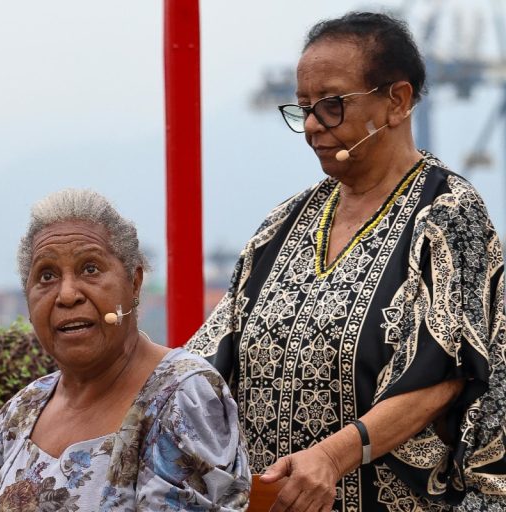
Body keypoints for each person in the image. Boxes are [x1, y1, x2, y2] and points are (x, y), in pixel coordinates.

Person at [186, 11, 506, 512]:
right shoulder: (284, 222)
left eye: (332, 105)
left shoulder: (447, 214)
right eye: (305, 108)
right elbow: (211, 356)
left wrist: (333, 457)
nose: (312, 125)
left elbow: (446, 375)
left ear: (398, 101)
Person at [0, 189, 251, 511]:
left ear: (134, 283)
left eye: (90, 269)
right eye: (46, 276)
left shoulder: (183, 396)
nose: (67, 294)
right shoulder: (24, 409)